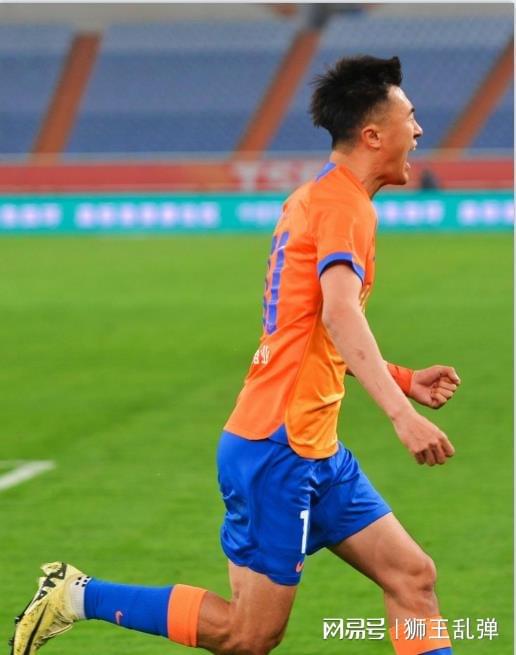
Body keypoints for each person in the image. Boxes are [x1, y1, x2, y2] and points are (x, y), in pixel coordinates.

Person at [11, 55, 460, 655]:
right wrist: (402, 417)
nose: (420, 130)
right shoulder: (343, 206)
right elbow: (339, 314)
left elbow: (308, 333)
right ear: (373, 134)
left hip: (312, 447)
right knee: (248, 634)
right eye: (411, 117)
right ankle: (77, 597)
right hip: (279, 447)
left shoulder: (317, 199)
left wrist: (402, 379)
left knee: (412, 576)